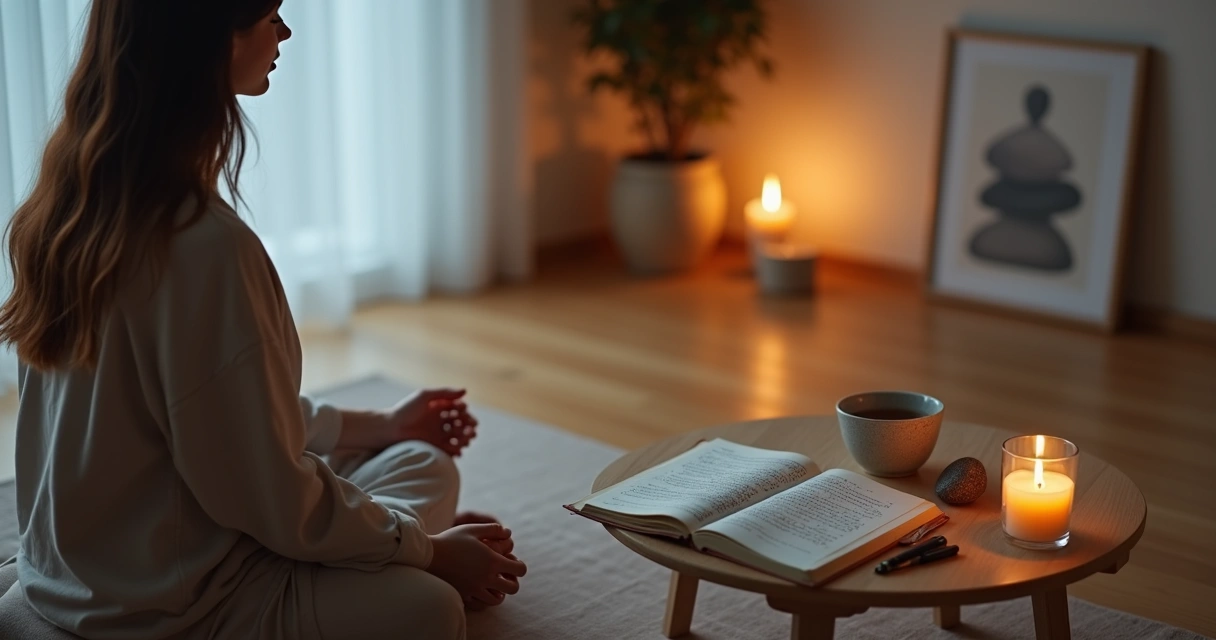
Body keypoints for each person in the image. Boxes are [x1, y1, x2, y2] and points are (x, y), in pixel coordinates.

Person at [0, 1, 525, 638]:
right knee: (431, 610)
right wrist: (432, 553)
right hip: (170, 602)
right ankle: (390, 550)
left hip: (82, 565)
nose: (286, 32)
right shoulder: (204, 248)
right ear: (212, 39)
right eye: (271, 14)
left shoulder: (64, 206)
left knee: (422, 461)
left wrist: (382, 424)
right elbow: (268, 494)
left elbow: (215, 419)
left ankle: (382, 541)